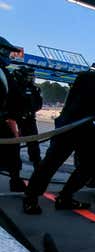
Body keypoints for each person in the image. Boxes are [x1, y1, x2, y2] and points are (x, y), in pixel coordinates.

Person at [23, 54, 95, 214]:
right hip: (70, 126)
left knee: (89, 165)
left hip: (83, 126)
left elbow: (92, 104)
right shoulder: (89, 77)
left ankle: (65, 197)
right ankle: (30, 199)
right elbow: (89, 104)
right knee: (52, 163)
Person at [0, 35, 25, 192]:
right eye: (8, 53)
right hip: (3, 120)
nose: (10, 57)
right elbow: (14, 98)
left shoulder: (3, 71)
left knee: (12, 150)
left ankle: (16, 180)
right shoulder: (3, 73)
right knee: (12, 150)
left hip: (5, 118)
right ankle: (15, 180)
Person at [8, 66, 43, 171]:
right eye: (29, 77)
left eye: (32, 77)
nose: (31, 79)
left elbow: (38, 105)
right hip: (13, 119)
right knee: (13, 146)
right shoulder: (12, 88)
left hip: (29, 120)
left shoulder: (35, 89)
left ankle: (38, 168)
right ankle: (15, 174)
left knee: (33, 146)